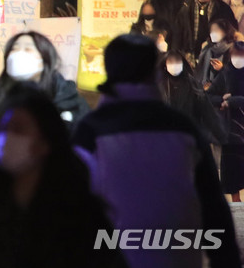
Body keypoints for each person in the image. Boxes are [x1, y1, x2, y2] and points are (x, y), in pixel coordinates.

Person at [73, 34, 240, 268]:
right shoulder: (182, 129)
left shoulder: (90, 132)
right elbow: (213, 207)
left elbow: (71, 209)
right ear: (154, 70)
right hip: (176, 256)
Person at [0, 83, 127, 268]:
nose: (5, 138)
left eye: (18, 129)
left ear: (44, 142)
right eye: (3, 129)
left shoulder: (79, 214)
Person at [0, 31, 89, 130]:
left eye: (28, 49)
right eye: (14, 49)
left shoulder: (66, 96)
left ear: (45, 58)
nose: (19, 53)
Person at [160, 50, 226, 146]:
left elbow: (208, 112)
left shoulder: (193, 85)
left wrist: (221, 136)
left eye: (177, 62)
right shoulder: (159, 86)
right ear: (165, 65)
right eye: (171, 63)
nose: (174, 66)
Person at [207, 41, 244, 202]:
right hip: (231, 131)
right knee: (233, 173)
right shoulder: (226, 73)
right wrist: (221, 99)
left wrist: (232, 101)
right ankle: (237, 204)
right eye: (235, 55)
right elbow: (210, 96)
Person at [173, 0, 238, 62]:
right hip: (191, 55)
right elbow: (178, 30)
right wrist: (176, 52)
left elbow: (231, 29)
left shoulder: (222, 8)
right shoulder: (187, 7)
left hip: (215, 54)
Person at [195, 19, 236, 90]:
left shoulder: (233, 49)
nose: (213, 33)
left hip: (224, 91)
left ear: (226, 32)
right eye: (212, 31)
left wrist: (222, 68)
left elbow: (236, 75)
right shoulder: (206, 47)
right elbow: (200, 71)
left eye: (216, 31)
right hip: (205, 89)